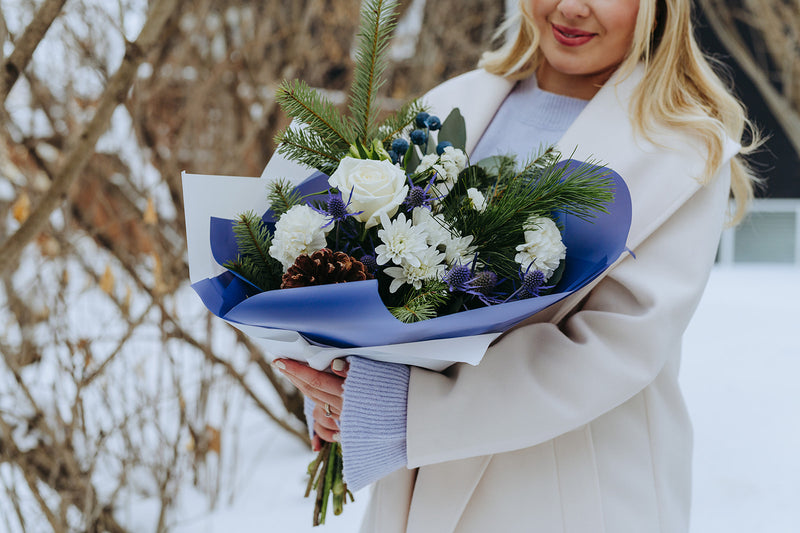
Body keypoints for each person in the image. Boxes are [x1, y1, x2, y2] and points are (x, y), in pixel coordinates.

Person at [273, 0, 759, 531]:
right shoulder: (454, 102)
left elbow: (613, 347)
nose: (571, 8)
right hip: (415, 488)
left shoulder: (681, 148)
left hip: (566, 490)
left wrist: (397, 410)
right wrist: (337, 386)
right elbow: (372, 260)